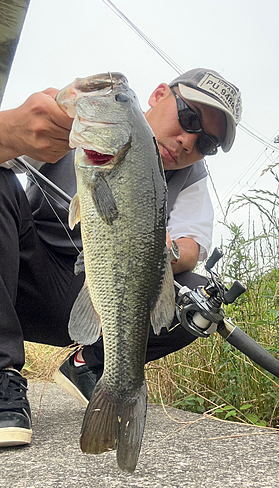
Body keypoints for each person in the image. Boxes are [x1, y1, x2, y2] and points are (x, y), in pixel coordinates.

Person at [0, 68, 242, 447]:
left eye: (206, 142)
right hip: (19, 285)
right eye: (189, 117)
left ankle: (92, 365)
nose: (187, 141)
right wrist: (11, 132)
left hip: (94, 302)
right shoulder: (74, 128)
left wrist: (159, 250)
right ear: (160, 94)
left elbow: (193, 246)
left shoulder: (191, 175)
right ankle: (2, 374)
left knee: (198, 299)